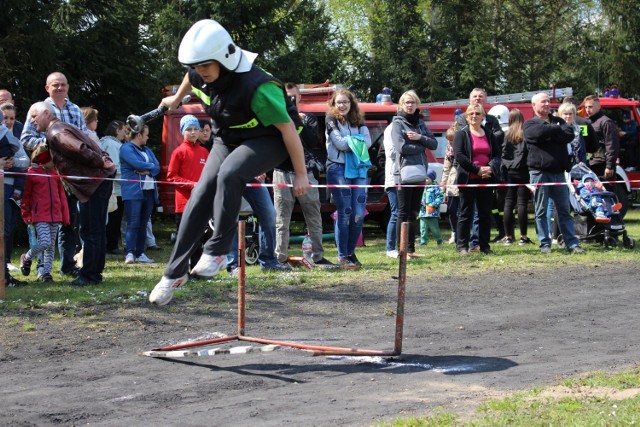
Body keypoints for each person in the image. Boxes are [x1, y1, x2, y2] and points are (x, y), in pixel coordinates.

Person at [148, 19, 309, 305]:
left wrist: (300, 174)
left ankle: (218, 252)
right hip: (229, 137)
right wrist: (175, 99)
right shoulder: (199, 73)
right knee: (201, 192)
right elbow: (189, 78)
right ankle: (173, 273)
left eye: (205, 66)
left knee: (230, 174)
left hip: (269, 139)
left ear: (224, 57)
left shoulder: (258, 87)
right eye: (195, 67)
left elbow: (288, 131)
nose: (199, 72)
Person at [27, 101, 116, 285]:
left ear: (46, 114)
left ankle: (89, 276)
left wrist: (102, 163)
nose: (32, 121)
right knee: (96, 230)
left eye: (34, 116)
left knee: (90, 231)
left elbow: (82, 150)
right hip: (97, 182)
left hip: (93, 183)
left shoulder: (56, 132)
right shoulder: (60, 128)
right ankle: (94, 273)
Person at [22, 72, 89, 278]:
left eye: (63, 85)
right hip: (46, 173)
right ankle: (43, 270)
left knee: (67, 222)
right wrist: (49, 149)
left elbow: (83, 136)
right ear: (47, 88)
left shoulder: (75, 110)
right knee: (46, 230)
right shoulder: (38, 109)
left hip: (69, 176)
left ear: (68, 87)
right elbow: (26, 138)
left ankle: (67, 265)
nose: (59, 88)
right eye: (55, 85)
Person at [273, 83, 334, 268]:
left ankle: (318, 256)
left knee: (314, 216)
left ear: (299, 98)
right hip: (281, 172)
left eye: (293, 96)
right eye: (286, 97)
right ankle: (280, 258)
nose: (290, 99)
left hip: (306, 173)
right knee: (281, 220)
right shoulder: (274, 118)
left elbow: (312, 140)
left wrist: (297, 122)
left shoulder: (308, 118)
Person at [524, 93, 584, 254]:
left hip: (559, 173)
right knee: (541, 210)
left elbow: (569, 134)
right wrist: (555, 132)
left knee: (564, 210)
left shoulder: (559, 120)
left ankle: (572, 243)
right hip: (539, 173)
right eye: (543, 101)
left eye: (548, 101)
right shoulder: (530, 124)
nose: (546, 103)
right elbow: (535, 135)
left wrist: (548, 134)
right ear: (534, 106)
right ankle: (545, 243)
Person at [325, 89, 371, 269]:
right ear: (334, 105)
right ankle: (342, 255)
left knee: (359, 213)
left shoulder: (359, 122)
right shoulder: (331, 120)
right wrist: (356, 140)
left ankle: (351, 252)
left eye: (346, 102)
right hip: (337, 168)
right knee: (345, 211)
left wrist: (351, 139)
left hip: (359, 170)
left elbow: (367, 144)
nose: (342, 105)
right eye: (339, 102)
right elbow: (340, 144)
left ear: (351, 104)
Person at [456, 88, 506, 246]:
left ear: (483, 116)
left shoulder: (489, 134)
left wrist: (490, 168)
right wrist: (477, 169)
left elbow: (497, 155)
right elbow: (460, 156)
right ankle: (462, 245)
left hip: (486, 178)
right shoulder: (462, 134)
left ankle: (484, 245)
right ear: (467, 116)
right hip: (468, 178)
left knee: (485, 214)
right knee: (466, 214)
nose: (474, 116)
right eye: (471, 114)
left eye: (477, 114)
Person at [391, 90, 438, 257]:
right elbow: (401, 147)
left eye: (412, 102)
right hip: (403, 175)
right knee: (403, 212)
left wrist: (419, 137)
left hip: (419, 173)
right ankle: (401, 249)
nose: (409, 105)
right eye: (406, 102)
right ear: (401, 105)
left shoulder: (420, 123)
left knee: (414, 212)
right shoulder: (397, 123)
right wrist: (421, 147)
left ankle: (411, 249)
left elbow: (433, 143)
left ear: (417, 104)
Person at [19, 145, 70, 282]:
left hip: (55, 215)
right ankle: (27, 257)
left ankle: (46, 273)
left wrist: (64, 216)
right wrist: (26, 213)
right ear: (45, 160)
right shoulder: (32, 173)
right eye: (53, 161)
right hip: (40, 215)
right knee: (45, 242)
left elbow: (61, 196)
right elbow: (27, 196)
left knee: (50, 247)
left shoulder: (55, 174)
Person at [166, 115, 208, 269]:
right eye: (189, 129)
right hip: (184, 203)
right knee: (184, 239)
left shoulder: (204, 152)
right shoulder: (178, 151)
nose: (193, 132)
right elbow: (171, 177)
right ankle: (180, 270)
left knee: (199, 237)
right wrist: (192, 185)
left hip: (201, 202)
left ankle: (196, 269)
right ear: (182, 132)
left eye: (196, 129)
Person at [120, 124, 159, 265]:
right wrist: (150, 167)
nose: (148, 137)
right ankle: (130, 252)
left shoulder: (147, 150)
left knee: (143, 223)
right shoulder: (126, 149)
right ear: (139, 135)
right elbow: (137, 164)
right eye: (146, 134)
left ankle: (140, 253)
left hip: (149, 191)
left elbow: (157, 166)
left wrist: (148, 170)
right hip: (133, 191)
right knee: (133, 223)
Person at [501, 108, 532, 246]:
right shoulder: (526, 134)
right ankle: (523, 237)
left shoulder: (506, 134)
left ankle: (508, 237)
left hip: (509, 172)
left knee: (508, 204)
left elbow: (503, 154)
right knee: (522, 204)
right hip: (523, 171)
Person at [99, 120, 127, 255]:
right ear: (117, 130)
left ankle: (110, 244)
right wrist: (127, 180)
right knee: (114, 218)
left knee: (113, 218)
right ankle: (111, 246)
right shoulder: (112, 144)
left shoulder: (111, 143)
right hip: (115, 188)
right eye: (124, 130)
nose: (125, 133)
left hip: (114, 186)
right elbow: (115, 167)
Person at [584, 95, 619, 180]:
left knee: (606, 192)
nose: (587, 110)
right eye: (586, 107)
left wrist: (609, 166)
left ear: (599, 107)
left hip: (602, 165)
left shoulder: (606, 122)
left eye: (590, 107)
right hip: (588, 164)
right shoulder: (585, 122)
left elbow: (611, 145)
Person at [380, 123, 399, 257]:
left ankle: (407, 247)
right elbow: (391, 152)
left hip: (410, 177)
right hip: (394, 177)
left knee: (408, 214)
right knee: (396, 213)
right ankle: (390, 248)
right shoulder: (391, 129)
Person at [441, 124, 459, 244]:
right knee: (452, 210)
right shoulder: (448, 151)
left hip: (462, 182)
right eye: (449, 141)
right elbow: (446, 168)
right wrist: (443, 184)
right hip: (451, 185)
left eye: (452, 141)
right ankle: (454, 232)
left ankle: (462, 232)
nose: (451, 143)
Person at [418, 169, 444, 246]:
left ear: (432, 179)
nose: (425, 180)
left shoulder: (435, 187)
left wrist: (433, 204)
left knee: (434, 228)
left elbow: (440, 197)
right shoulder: (421, 187)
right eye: (424, 178)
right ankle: (423, 242)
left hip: (432, 212)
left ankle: (439, 240)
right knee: (423, 228)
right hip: (422, 212)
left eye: (427, 178)